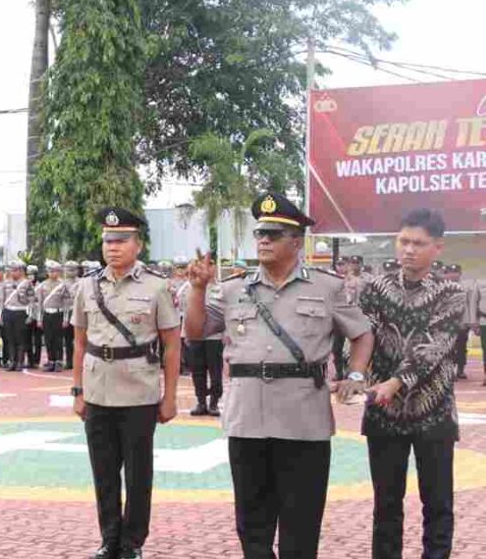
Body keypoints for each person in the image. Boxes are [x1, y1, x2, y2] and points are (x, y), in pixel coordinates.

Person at [184, 192, 374, 559]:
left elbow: (362, 333)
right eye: (260, 234)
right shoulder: (234, 288)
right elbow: (195, 332)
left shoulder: (327, 286)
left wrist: (355, 372)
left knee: (301, 523)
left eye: (273, 234)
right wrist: (197, 288)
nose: (264, 241)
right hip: (247, 420)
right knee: (252, 524)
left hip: (304, 419)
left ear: (296, 242)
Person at [71, 207, 180, 559]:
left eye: (121, 240)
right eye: (108, 241)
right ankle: (109, 540)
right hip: (98, 389)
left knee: (137, 474)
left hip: (139, 392)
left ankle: (132, 542)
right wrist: (77, 390)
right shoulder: (87, 286)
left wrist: (170, 397)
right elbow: (79, 341)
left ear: (138, 244)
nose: (113, 247)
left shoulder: (156, 286)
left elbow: (171, 345)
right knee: (103, 472)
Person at [358, 209, 465, 559]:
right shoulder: (374, 288)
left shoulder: (451, 292)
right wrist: (356, 372)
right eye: (403, 241)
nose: (408, 250)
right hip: (384, 414)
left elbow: (434, 348)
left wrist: (395, 382)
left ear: (437, 248)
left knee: (437, 503)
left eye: (418, 243)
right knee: (385, 505)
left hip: (434, 413)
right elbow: (362, 336)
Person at [182, 274, 223, 417]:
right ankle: (201, 402)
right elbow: (183, 310)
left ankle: (214, 403)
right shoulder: (188, 287)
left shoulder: (221, 288)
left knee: (215, 371)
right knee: (197, 372)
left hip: (215, 337)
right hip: (194, 337)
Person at [0, 261, 34, 371]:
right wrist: (0, 315)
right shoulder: (6, 283)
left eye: (15, 270)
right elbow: (2, 300)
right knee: (10, 339)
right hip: (8, 312)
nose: (13, 272)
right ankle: (12, 361)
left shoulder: (27, 283)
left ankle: (20, 362)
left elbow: (32, 300)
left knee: (21, 339)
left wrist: (31, 315)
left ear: (21, 271)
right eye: (11, 270)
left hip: (21, 312)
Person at [38, 260, 72, 372]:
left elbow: (67, 303)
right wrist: (39, 319)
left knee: (58, 339)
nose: (52, 273)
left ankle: (59, 361)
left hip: (59, 314)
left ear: (59, 272)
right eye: (50, 271)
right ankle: (51, 360)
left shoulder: (63, 285)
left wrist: (66, 319)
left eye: (55, 271)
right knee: (48, 339)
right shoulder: (42, 285)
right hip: (47, 314)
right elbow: (40, 303)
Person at [442, 263, 473, 380]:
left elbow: (469, 306)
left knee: (461, 347)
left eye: (456, 273)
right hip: (446, 324)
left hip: (461, 324)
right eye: (451, 273)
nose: (453, 275)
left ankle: (460, 370)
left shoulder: (466, 288)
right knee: (448, 349)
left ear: (460, 274)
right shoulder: (442, 287)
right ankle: (449, 371)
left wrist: (468, 322)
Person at [62, 260, 81, 370]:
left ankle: (80, 361)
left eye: (73, 269)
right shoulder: (61, 283)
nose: (71, 271)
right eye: (68, 269)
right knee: (68, 339)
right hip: (67, 312)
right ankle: (69, 361)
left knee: (80, 339)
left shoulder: (82, 282)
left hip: (79, 312)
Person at [26, 264, 43, 368]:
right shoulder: (24, 285)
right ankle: (30, 360)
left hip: (37, 315)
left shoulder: (40, 285)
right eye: (28, 274)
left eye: (32, 274)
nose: (30, 276)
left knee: (37, 340)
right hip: (27, 315)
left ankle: (36, 361)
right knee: (27, 339)